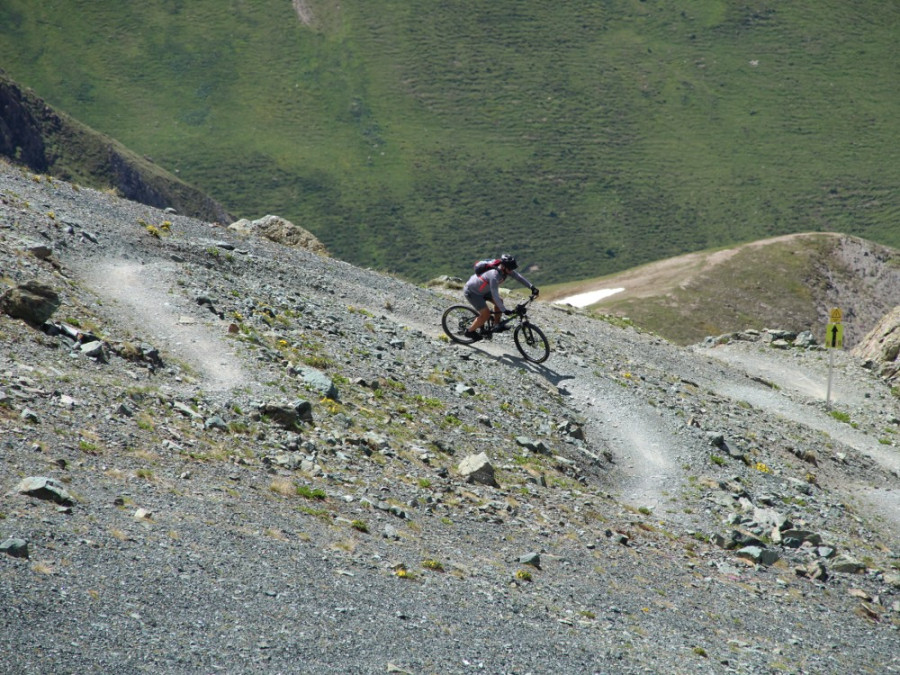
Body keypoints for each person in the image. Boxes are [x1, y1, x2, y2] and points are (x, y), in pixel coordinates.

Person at [463, 254, 539, 341]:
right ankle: (469, 331)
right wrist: (504, 310)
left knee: (500, 302)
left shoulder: (505, 270)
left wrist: (532, 287)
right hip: (473, 292)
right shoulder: (494, 275)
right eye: (510, 269)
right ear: (503, 267)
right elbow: (495, 295)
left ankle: (496, 325)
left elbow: (519, 277)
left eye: (512, 269)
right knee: (486, 314)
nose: (511, 271)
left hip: (483, 290)